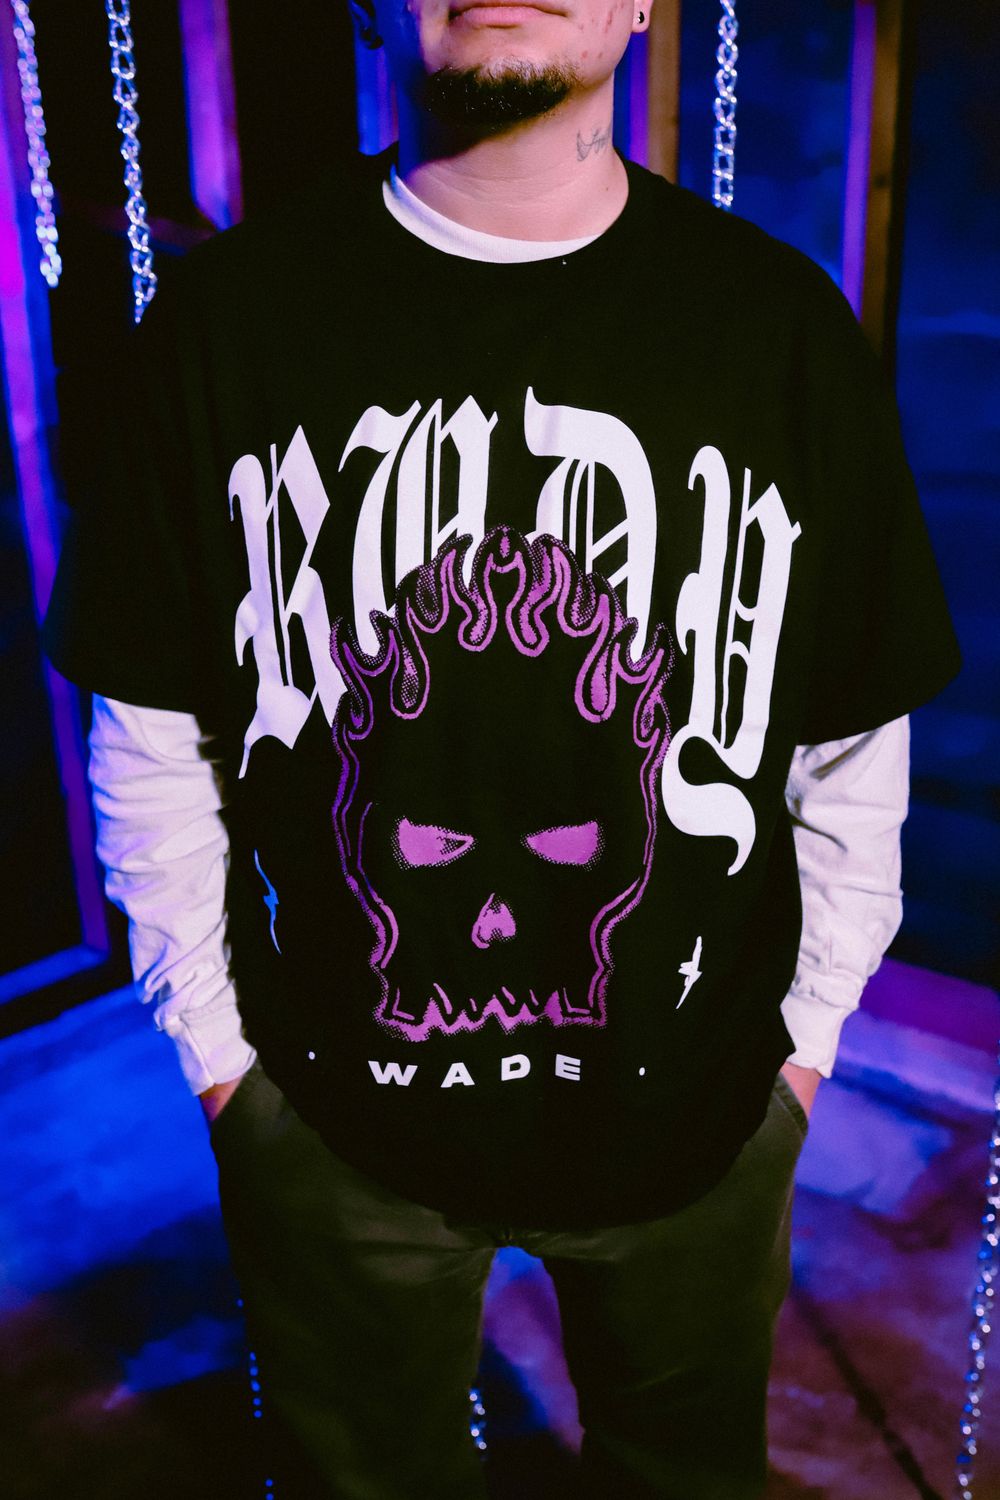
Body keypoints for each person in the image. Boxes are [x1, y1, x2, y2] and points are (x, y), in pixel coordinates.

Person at [43, 1, 960, 1494]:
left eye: (560, 857)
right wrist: (226, 1072)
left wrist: (798, 1053)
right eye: (433, 854)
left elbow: (853, 738)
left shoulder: (780, 325)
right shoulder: (221, 325)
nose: (487, 917)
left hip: (704, 1117)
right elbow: (152, 728)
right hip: (334, 1126)